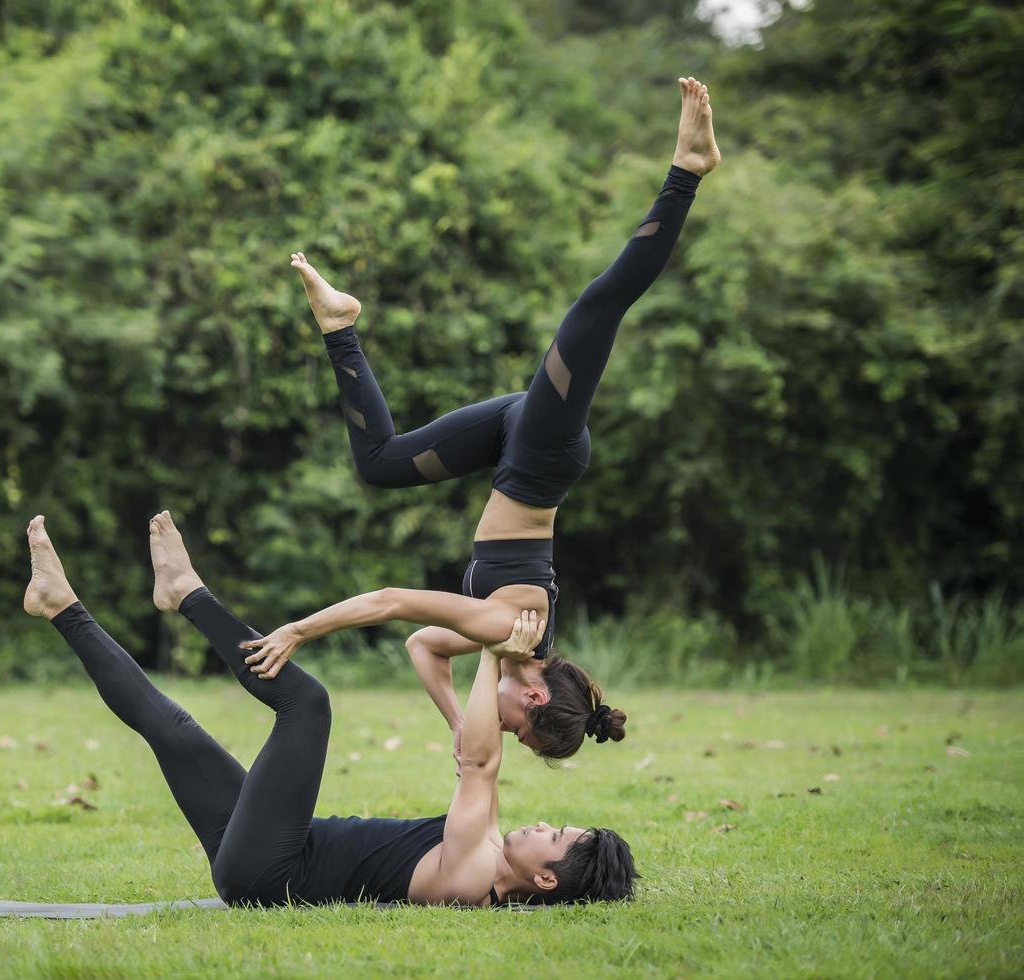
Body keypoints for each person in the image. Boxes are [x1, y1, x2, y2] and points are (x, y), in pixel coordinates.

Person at [240, 77, 723, 760]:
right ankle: (686, 172)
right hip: (540, 455)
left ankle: (339, 323)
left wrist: (457, 726)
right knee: (597, 309)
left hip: (511, 447)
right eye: (509, 726)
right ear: (532, 698)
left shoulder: (499, 640)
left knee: (379, 464)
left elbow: (420, 646)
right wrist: (296, 631)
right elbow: (386, 602)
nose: (493, 723)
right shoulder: (503, 623)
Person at [21, 510, 637, 907]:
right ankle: (59, 604)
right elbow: (470, 748)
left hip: (271, 869)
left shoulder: (475, 873)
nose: (541, 825)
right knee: (173, 728)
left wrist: (493, 652)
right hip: (270, 856)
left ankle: (187, 592)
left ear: (546, 879)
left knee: (307, 704)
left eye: (552, 837)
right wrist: (469, 700)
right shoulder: (488, 850)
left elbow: (479, 766)